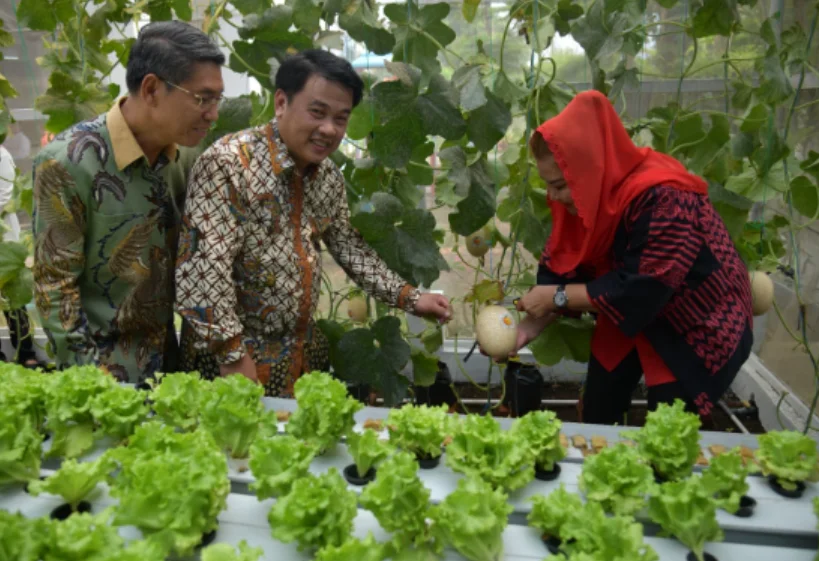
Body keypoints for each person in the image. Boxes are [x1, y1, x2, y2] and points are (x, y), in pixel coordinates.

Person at [176, 49, 451, 396]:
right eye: (317, 112)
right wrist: (231, 356)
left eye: (341, 118)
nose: (329, 129)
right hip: (231, 365)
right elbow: (202, 271)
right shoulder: (228, 164)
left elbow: (348, 246)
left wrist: (410, 298)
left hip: (300, 359)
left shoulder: (328, 178)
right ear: (281, 103)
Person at [511, 90, 753, 424]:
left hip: (695, 321)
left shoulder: (665, 197)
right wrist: (522, 331)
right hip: (624, 303)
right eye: (547, 184)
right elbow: (565, 271)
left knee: (670, 423)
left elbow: (643, 288)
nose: (551, 195)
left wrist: (556, 297)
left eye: (559, 186)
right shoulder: (586, 193)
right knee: (599, 403)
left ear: (589, 171)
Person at [32, 21, 225, 382]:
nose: (213, 113)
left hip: (171, 371)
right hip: (101, 377)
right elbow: (55, 291)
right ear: (151, 89)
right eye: (202, 98)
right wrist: (94, 389)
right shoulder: (70, 162)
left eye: (217, 99)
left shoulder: (183, 157)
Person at [0, 145, 40, 368]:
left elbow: (4, 196)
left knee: (14, 297)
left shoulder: (2, 154)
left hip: (4, 239)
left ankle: (26, 352)